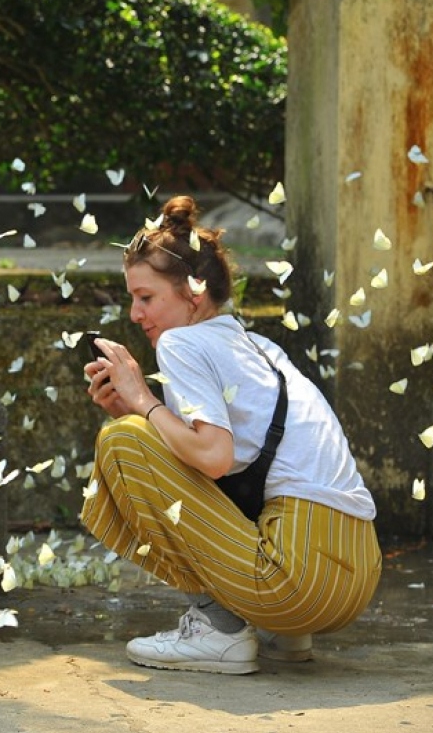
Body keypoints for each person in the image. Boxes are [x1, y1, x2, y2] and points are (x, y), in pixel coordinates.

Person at [81, 195, 380, 675]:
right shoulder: (256, 346)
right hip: (355, 579)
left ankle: (218, 630)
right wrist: (134, 406)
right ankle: (279, 632)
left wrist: (141, 404)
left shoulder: (182, 342)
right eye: (133, 298)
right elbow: (224, 463)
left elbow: (214, 457)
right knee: (141, 431)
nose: (135, 314)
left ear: (194, 292)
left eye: (147, 297)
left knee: (121, 442)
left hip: (295, 581)